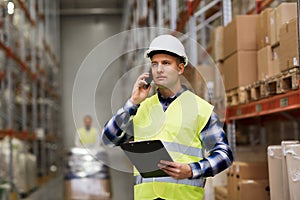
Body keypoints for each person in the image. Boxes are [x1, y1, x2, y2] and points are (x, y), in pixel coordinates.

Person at [102, 34, 233, 200]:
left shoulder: (200, 109)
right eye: (154, 64)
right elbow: (108, 138)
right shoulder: (140, 108)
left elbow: (224, 154)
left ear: (180, 68)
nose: (159, 69)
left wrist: (192, 170)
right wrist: (132, 102)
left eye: (166, 63)